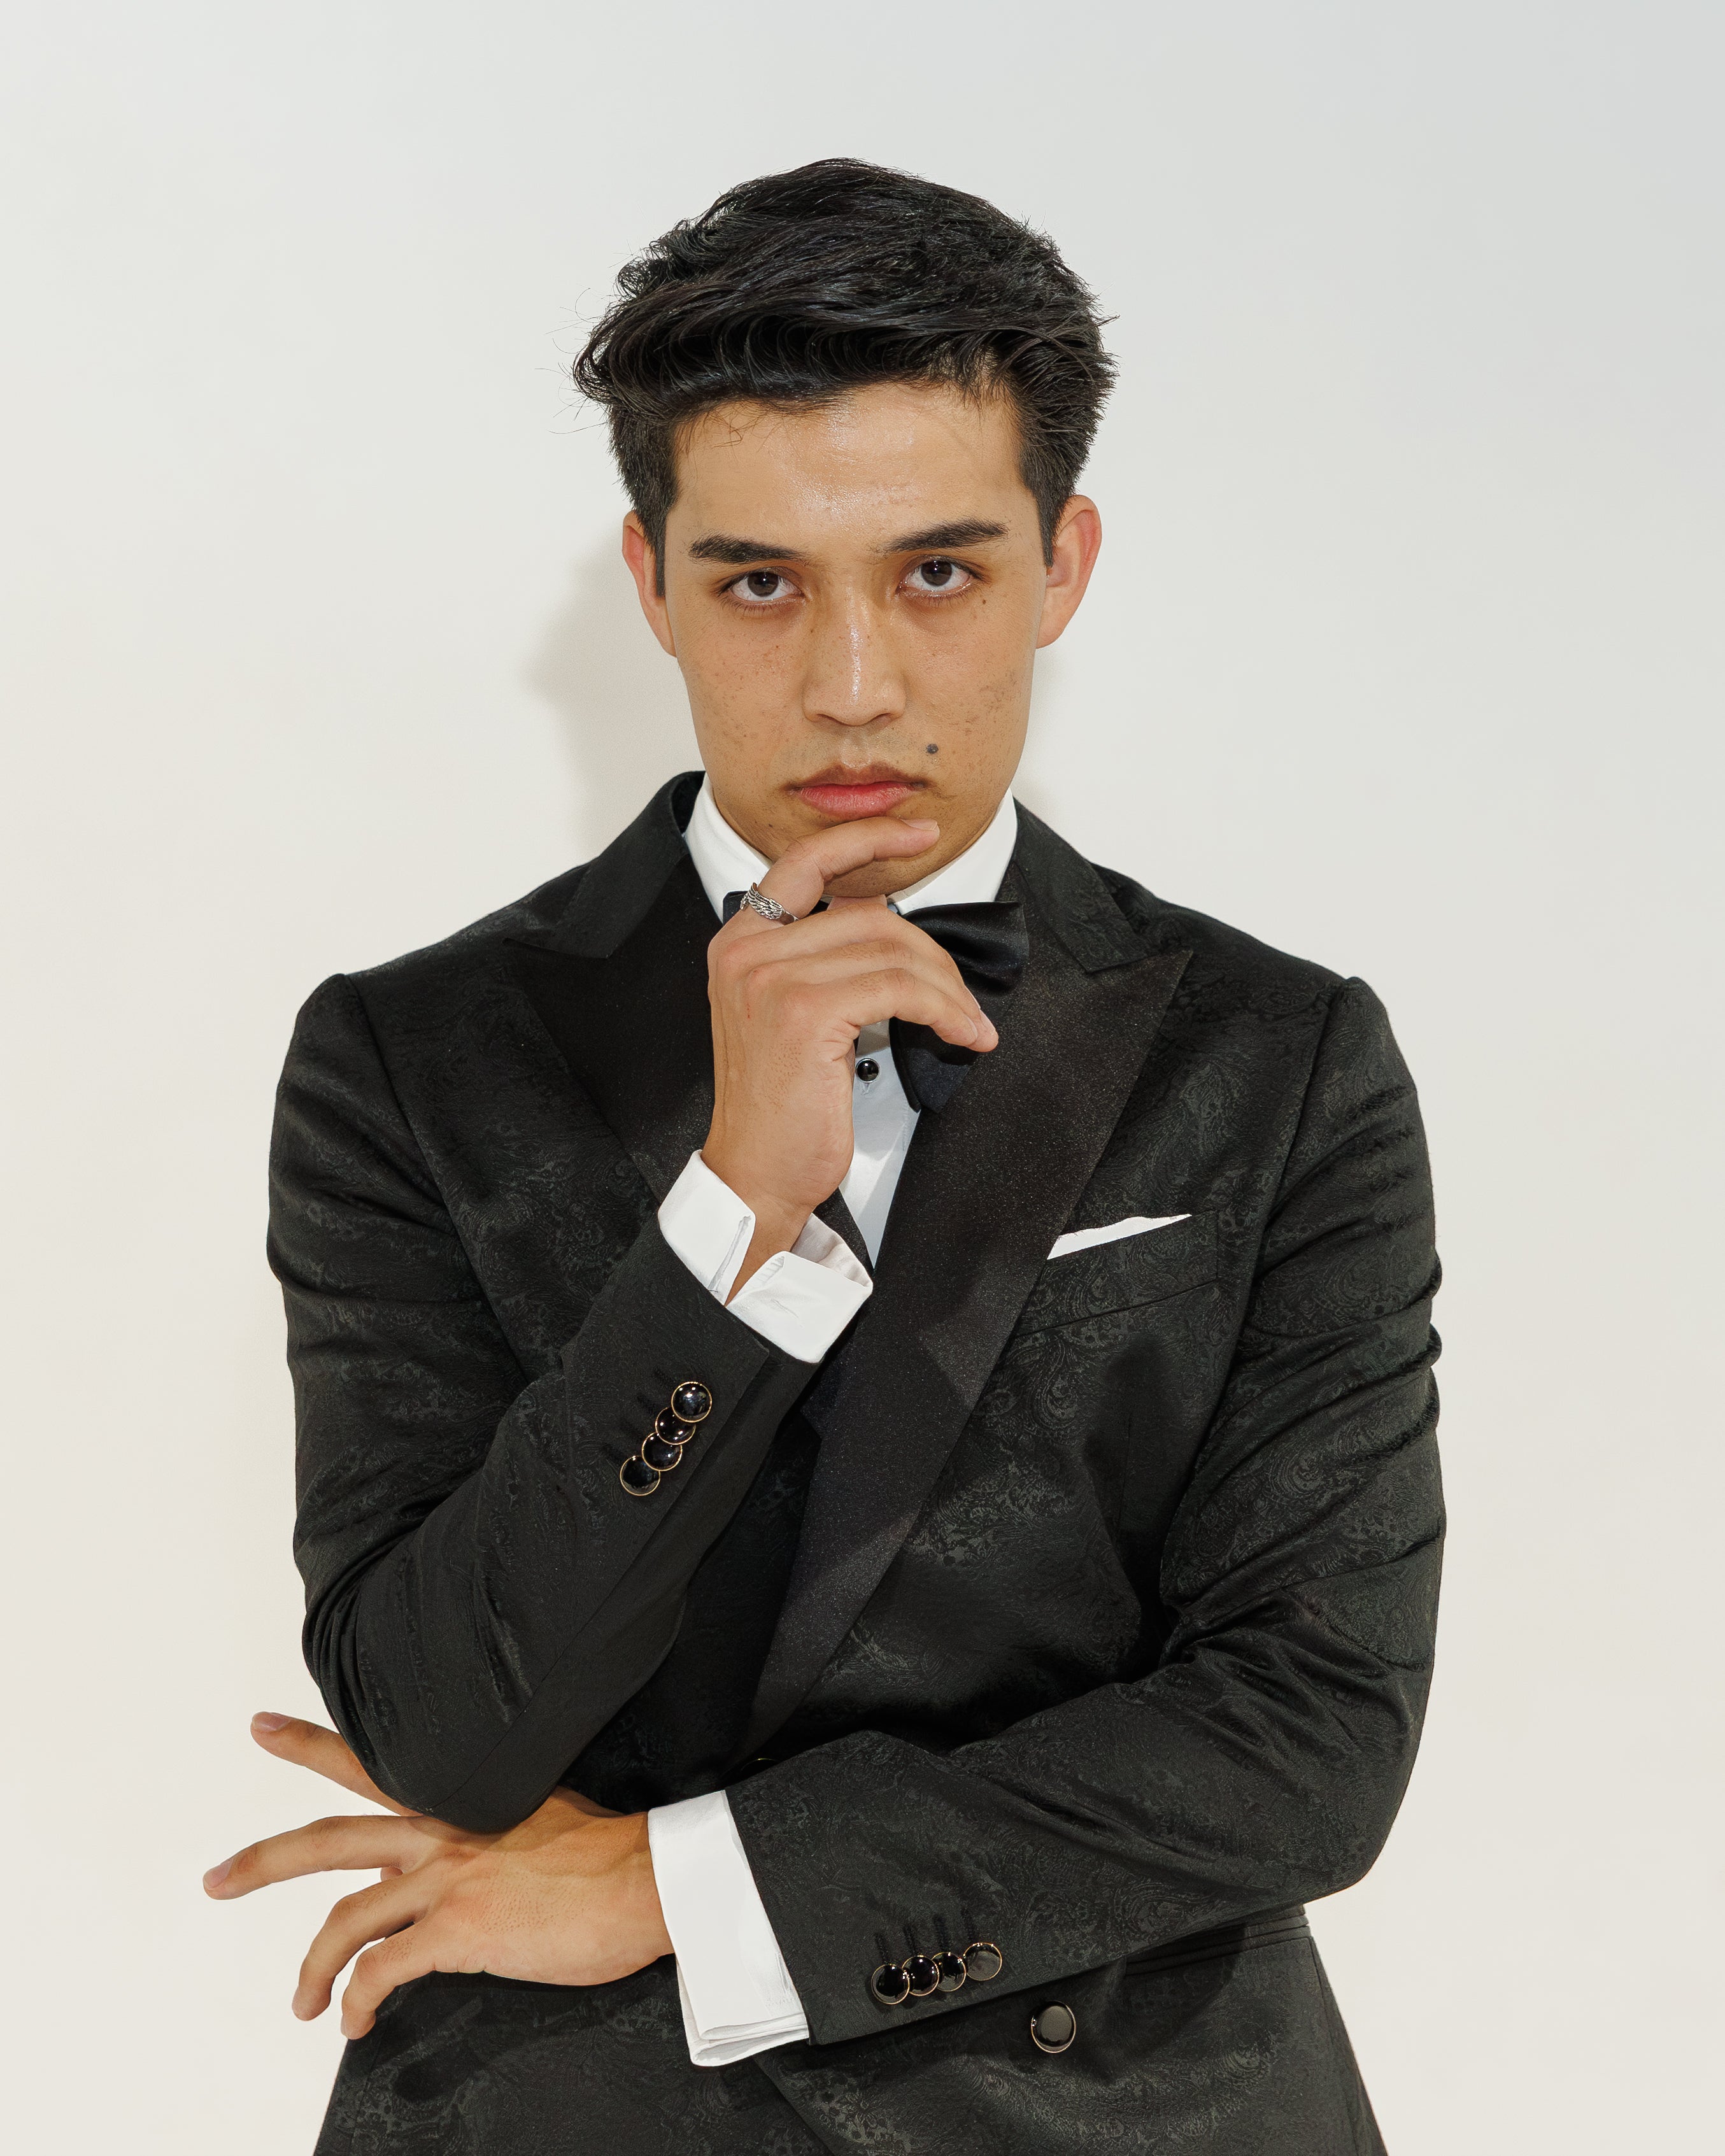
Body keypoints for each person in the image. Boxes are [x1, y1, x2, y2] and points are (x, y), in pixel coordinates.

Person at [205, 159, 1442, 2155]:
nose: (853, 683)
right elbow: (443, 1719)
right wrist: (727, 1222)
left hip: (1126, 2108)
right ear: (650, 581)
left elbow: (1309, 1741)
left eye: (939, 573)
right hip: (568, 2107)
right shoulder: (409, 1056)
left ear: (1066, 565)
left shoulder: (1279, 1057)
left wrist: (686, 1886)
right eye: (762, 581)